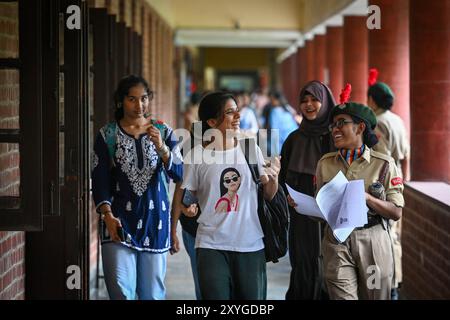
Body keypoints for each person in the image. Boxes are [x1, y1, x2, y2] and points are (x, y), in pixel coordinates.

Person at [180, 91, 280, 300]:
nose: (238, 117)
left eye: (237, 111)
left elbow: (269, 195)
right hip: (210, 244)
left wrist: (274, 178)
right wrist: (187, 209)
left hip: (250, 243)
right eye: (230, 112)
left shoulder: (250, 148)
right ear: (212, 121)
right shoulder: (197, 155)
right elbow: (187, 199)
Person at [92, 75, 183, 300]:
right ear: (121, 101)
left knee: (152, 294)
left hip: (156, 221)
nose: (139, 105)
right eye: (132, 99)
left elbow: (180, 173)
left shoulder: (163, 132)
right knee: (121, 291)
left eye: (143, 98)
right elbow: (99, 179)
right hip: (118, 221)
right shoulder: (108, 135)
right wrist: (108, 216)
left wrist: (162, 148)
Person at [313, 95, 404, 300]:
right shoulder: (325, 164)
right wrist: (305, 207)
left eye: (341, 123)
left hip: (372, 240)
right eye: (333, 125)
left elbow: (396, 212)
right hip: (336, 241)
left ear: (360, 127)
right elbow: (319, 213)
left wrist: (367, 198)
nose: (335, 129)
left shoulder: (384, 165)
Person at [279, 80, 336, 300]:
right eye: (304, 101)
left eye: (315, 99)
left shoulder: (335, 138)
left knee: (329, 266)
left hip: (332, 217)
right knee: (303, 264)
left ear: (326, 102)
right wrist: (286, 197)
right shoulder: (294, 139)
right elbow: (283, 179)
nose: (309, 105)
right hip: (302, 217)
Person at [367, 70, 410, 300]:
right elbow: (406, 156)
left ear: (372, 100)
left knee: (385, 238)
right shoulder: (398, 120)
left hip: (383, 186)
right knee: (395, 237)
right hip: (399, 182)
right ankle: (394, 284)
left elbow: (381, 159)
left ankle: (390, 286)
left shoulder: (379, 123)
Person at [260, 90, 299, 156]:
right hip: (294, 141)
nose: (270, 102)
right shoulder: (287, 108)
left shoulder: (275, 111)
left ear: (277, 100)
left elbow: (274, 132)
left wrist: (275, 153)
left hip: (282, 145)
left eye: (272, 99)